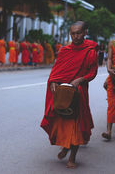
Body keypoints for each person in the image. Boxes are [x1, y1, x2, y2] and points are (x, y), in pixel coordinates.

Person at [40, 21, 98, 169]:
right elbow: (56, 70)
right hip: (62, 93)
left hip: (79, 93)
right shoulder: (65, 51)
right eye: (73, 33)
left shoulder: (90, 51)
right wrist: (53, 81)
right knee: (63, 122)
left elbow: (93, 72)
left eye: (79, 33)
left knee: (76, 124)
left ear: (85, 32)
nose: (76, 36)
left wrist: (81, 79)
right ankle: (66, 146)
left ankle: (72, 157)